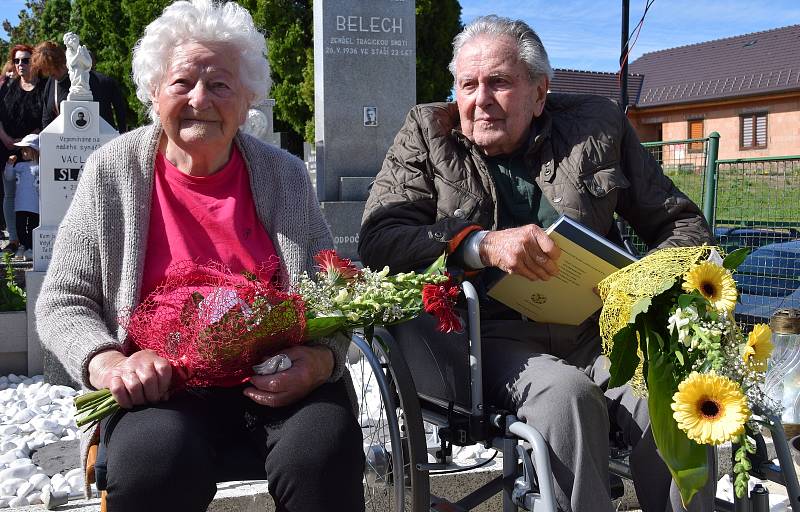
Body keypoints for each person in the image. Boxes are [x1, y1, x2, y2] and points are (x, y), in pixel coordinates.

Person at [359, 15, 715, 512]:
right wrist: (478, 244)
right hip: (483, 339)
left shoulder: (597, 126)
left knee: (680, 395)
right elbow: (379, 239)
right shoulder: (426, 132)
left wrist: (644, 279)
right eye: (468, 84)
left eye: (499, 82)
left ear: (540, 93)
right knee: (566, 396)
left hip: (600, 329)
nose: (480, 99)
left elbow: (682, 225)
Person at [36, 1, 364, 511]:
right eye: (182, 83)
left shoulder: (285, 177)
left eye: (220, 85)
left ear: (246, 98)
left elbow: (333, 288)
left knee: (323, 450)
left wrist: (323, 360)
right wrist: (108, 364)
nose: (199, 100)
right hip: (162, 389)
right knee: (154, 462)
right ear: (153, 92)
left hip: (277, 378)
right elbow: (63, 300)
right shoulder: (112, 172)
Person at [0, 44, 45, 252]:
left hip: (34, 150)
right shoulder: (8, 87)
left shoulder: (45, 87)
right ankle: (14, 239)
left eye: (25, 60)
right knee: (10, 194)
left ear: (33, 62)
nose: (20, 64)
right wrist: (6, 138)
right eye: (17, 60)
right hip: (8, 148)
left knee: (35, 195)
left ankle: (34, 239)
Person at [35, 41, 128, 132]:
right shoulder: (51, 84)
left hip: (101, 142)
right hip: (65, 144)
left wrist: (123, 137)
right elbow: (46, 120)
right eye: (45, 70)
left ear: (62, 61)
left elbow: (121, 113)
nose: (49, 73)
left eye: (51, 68)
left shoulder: (102, 82)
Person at [4, 133, 39, 261]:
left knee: (32, 228)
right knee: (20, 227)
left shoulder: (41, 167)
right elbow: (8, 177)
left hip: (35, 205)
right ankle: (23, 246)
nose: (23, 153)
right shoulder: (19, 166)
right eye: (22, 150)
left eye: (26, 150)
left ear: (36, 151)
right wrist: (9, 164)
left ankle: (31, 248)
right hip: (20, 205)